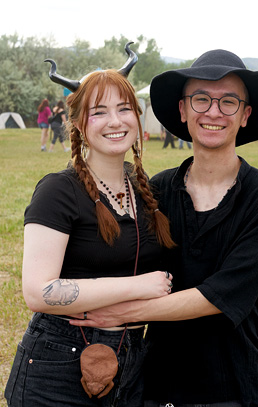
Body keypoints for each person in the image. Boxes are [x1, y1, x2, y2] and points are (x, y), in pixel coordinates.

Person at [71, 49, 258, 407]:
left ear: (246, 115)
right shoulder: (155, 190)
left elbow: (222, 294)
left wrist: (125, 312)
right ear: (183, 110)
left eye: (229, 101)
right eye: (201, 99)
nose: (213, 112)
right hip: (156, 382)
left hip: (234, 384)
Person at [5, 43, 175, 407]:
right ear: (80, 124)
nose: (115, 121)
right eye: (99, 112)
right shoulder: (58, 190)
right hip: (58, 360)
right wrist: (138, 285)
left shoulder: (146, 190)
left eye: (124, 108)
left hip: (131, 359)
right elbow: (38, 292)